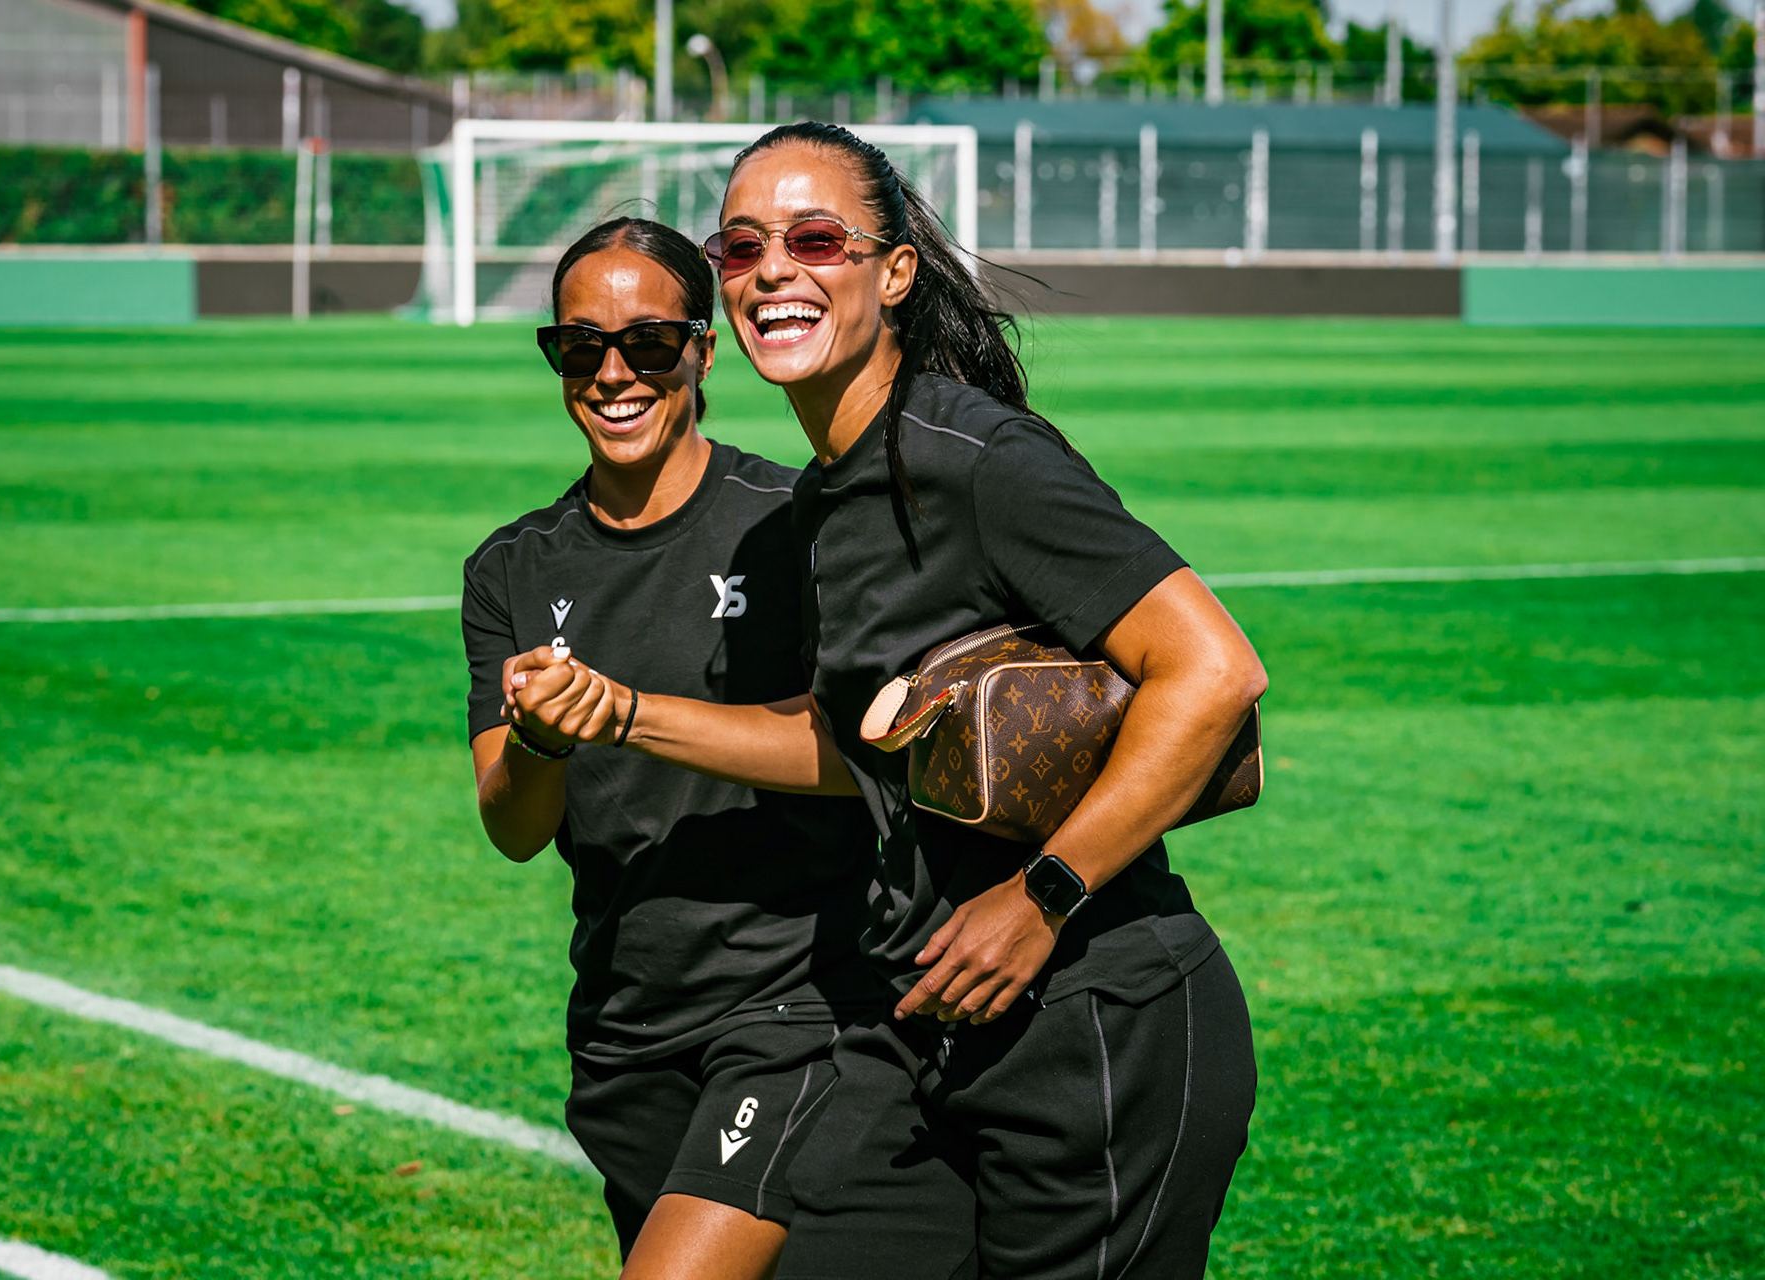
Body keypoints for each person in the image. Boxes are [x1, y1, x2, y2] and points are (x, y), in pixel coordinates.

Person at [504, 125, 1267, 1279]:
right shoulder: (824, 498)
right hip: (929, 1023)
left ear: (895, 270)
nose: (774, 269)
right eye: (743, 246)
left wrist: (1044, 892)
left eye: (816, 239)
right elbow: (846, 743)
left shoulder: (969, 454)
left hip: (1093, 1016)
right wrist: (620, 712)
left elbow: (1214, 671)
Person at [462, 216, 885, 1280]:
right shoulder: (511, 568)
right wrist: (542, 741)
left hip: (794, 1005)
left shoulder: (795, 521)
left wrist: (626, 711)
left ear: (703, 350)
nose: (614, 375)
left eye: (649, 344)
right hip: (625, 1027)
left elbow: (862, 759)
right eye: (580, 348)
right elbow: (513, 826)